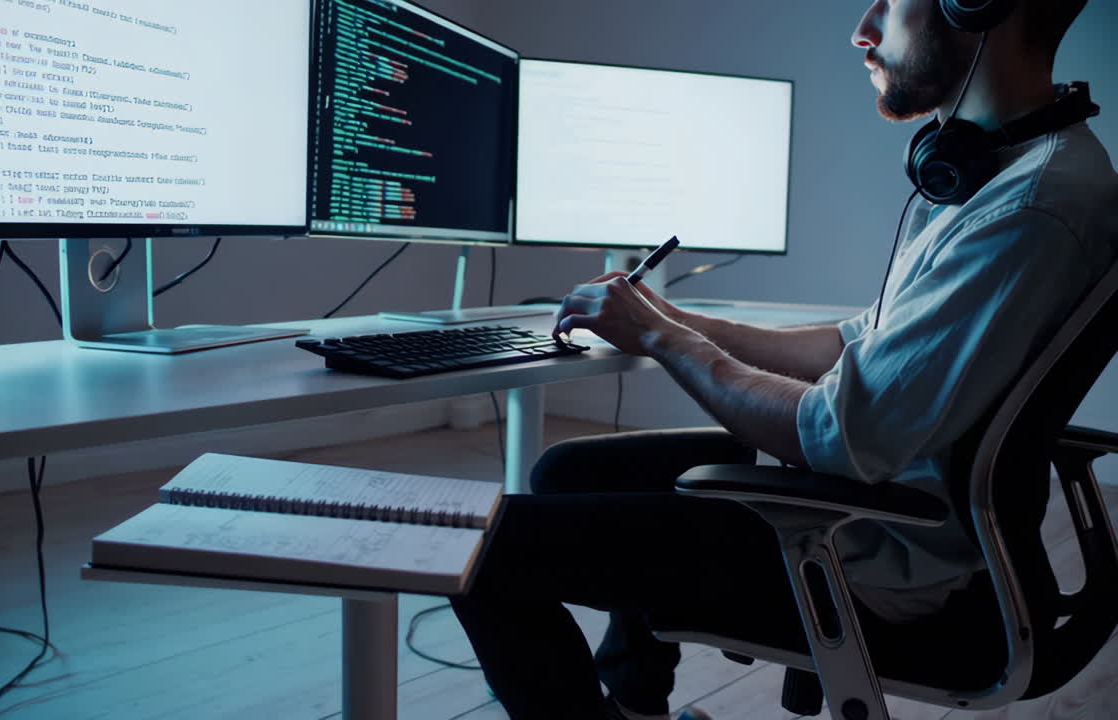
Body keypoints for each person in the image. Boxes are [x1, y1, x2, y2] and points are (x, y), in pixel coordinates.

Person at [449, 1, 1118, 718]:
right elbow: (853, 343)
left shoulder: (1030, 209)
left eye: (889, 4)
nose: (863, 30)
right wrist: (672, 317)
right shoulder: (1002, 169)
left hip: (871, 547)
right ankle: (638, 703)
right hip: (889, 508)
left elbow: (836, 435)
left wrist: (662, 339)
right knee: (565, 473)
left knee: (480, 557)